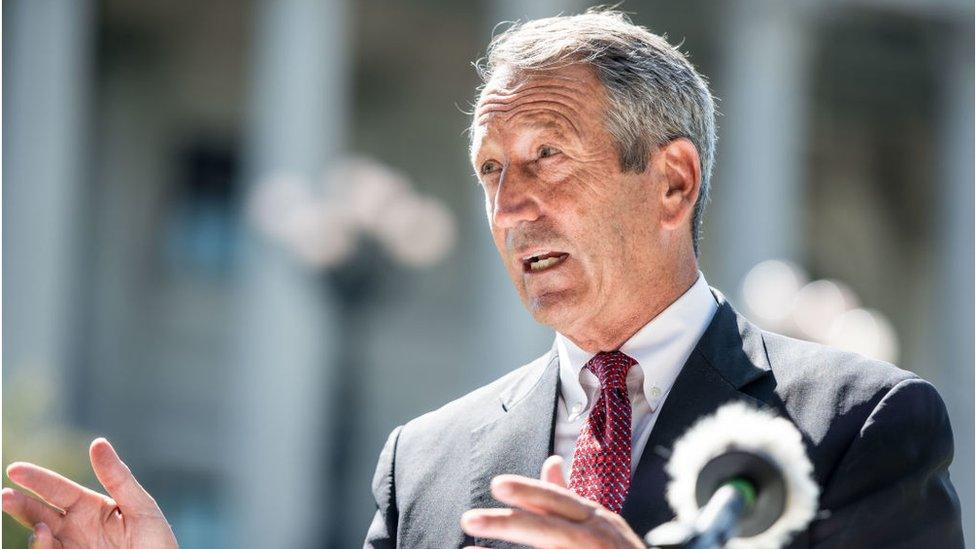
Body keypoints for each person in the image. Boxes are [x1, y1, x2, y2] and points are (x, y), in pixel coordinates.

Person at [1, 9, 963, 549]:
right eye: (492, 173)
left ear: (672, 182)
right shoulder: (424, 462)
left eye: (548, 158)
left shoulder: (859, 425)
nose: (511, 209)